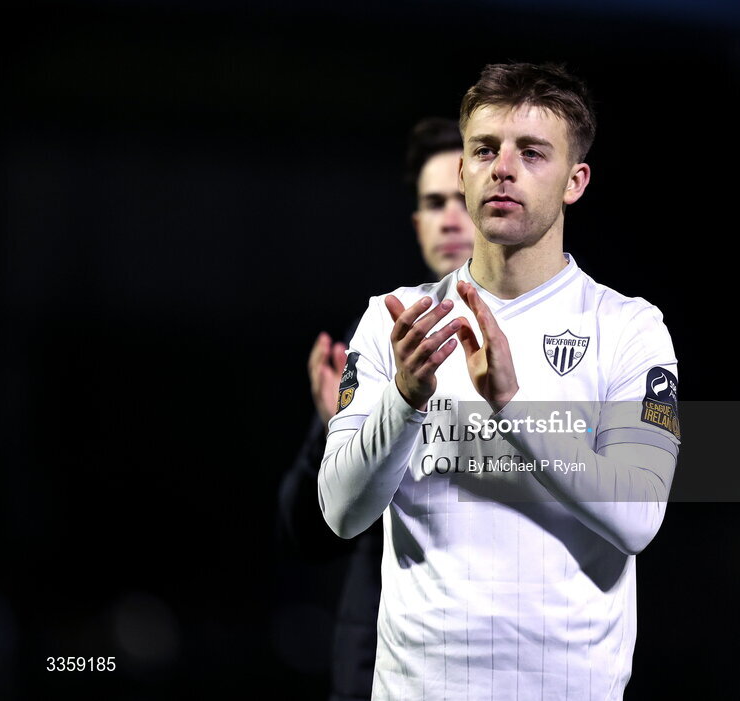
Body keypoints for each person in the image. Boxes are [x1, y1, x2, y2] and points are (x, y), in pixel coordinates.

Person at [318, 63, 680, 699]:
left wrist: (512, 404)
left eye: (532, 152)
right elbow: (342, 513)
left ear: (576, 181)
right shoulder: (394, 322)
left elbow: (639, 517)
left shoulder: (629, 328)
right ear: (461, 172)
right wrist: (404, 400)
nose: (503, 168)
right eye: (484, 149)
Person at [278, 117, 475, 701]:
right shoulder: (376, 344)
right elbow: (305, 534)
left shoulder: (578, 334)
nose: (450, 217)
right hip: (380, 658)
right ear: (417, 224)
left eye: (463, 199)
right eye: (433, 203)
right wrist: (333, 433)